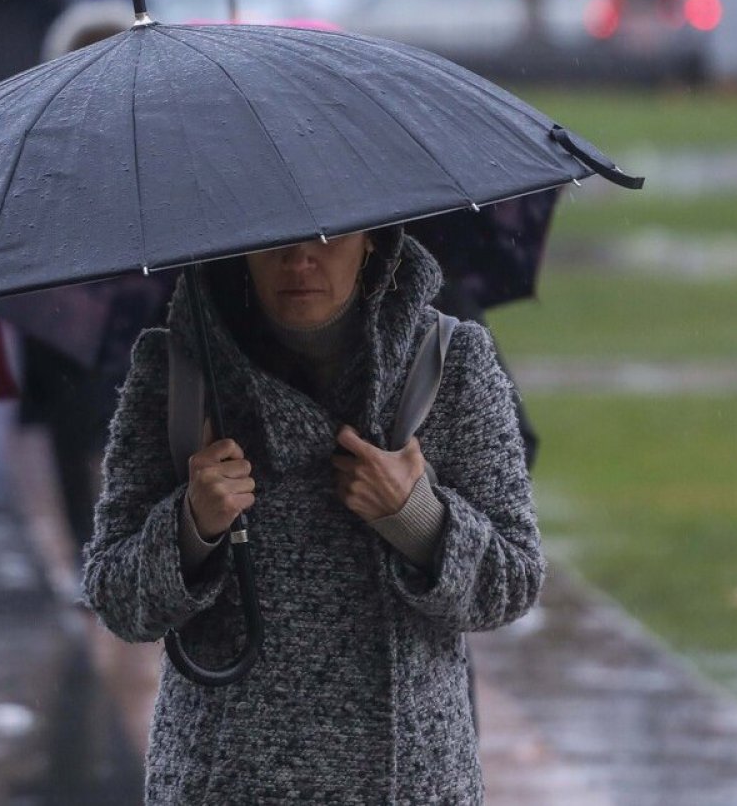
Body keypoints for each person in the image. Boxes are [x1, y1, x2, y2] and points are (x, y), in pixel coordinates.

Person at [82, 226, 544, 803]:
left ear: (374, 237)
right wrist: (191, 525)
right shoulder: (176, 372)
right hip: (222, 780)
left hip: (407, 780)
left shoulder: (449, 363)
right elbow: (114, 596)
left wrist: (415, 516)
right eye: (272, 236)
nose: (298, 258)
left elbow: (514, 580)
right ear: (239, 246)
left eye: (330, 236)